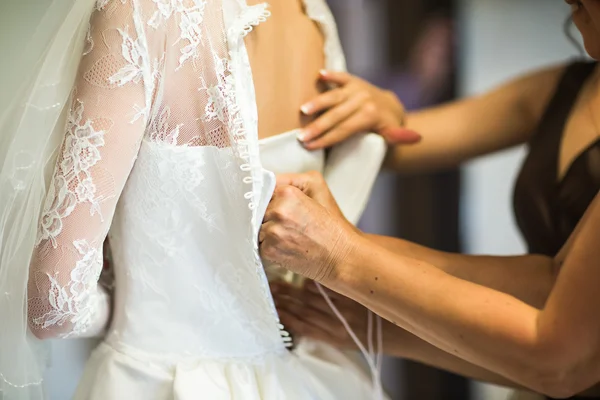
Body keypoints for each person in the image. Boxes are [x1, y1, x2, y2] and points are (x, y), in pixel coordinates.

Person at [0, 0, 412, 398]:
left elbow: (54, 303)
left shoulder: (139, 12)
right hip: (309, 378)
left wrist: (119, 302)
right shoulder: (312, 14)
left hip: (155, 376)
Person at [261, 1, 600, 398]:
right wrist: (380, 110)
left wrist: (345, 256)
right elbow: (398, 141)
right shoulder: (570, 87)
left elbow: (565, 355)